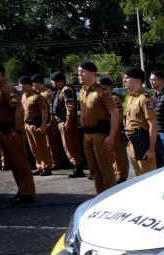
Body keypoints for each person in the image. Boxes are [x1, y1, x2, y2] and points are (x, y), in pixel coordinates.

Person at [0, 62, 36, 205]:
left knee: (20, 163)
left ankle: (27, 193)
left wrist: (18, 130)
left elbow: (18, 108)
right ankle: (21, 190)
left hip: (11, 132)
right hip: (2, 132)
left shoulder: (8, 88)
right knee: (13, 163)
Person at [77, 61, 119, 193]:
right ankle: (100, 196)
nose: (79, 75)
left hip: (100, 136)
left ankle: (110, 198)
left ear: (92, 73)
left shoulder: (102, 91)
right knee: (94, 171)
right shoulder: (82, 91)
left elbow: (114, 114)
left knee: (106, 170)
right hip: (86, 135)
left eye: (82, 72)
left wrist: (111, 136)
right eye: (79, 72)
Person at [122, 67, 157, 176]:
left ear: (137, 80)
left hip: (143, 143)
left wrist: (151, 150)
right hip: (132, 143)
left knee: (148, 176)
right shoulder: (130, 98)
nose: (124, 80)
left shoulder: (145, 99)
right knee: (138, 176)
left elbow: (153, 125)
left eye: (127, 78)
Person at [50, 71, 84, 178]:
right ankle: (75, 166)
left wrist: (68, 122)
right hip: (61, 121)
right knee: (67, 146)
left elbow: (70, 107)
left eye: (54, 81)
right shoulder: (59, 91)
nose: (52, 83)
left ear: (60, 81)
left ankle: (78, 168)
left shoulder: (66, 90)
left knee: (71, 146)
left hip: (67, 122)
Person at [19, 76, 53, 176]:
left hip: (36, 125)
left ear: (28, 85)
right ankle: (40, 166)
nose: (20, 87)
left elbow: (44, 110)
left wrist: (43, 125)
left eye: (22, 85)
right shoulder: (24, 96)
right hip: (27, 125)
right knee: (33, 148)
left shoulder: (38, 96)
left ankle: (47, 167)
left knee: (41, 147)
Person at [99, 76, 130, 183]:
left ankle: (121, 175)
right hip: (106, 130)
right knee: (110, 153)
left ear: (107, 86)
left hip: (115, 129)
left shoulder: (114, 98)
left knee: (117, 153)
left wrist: (115, 130)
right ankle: (113, 172)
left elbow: (118, 116)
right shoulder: (104, 97)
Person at [33, 74, 63, 169]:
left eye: (33, 84)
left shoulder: (47, 93)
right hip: (42, 122)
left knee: (51, 143)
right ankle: (48, 162)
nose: (33, 86)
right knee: (44, 144)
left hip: (49, 122)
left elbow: (51, 109)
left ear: (38, 83)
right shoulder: (38, 93)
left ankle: (55, 162)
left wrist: (50, 122)